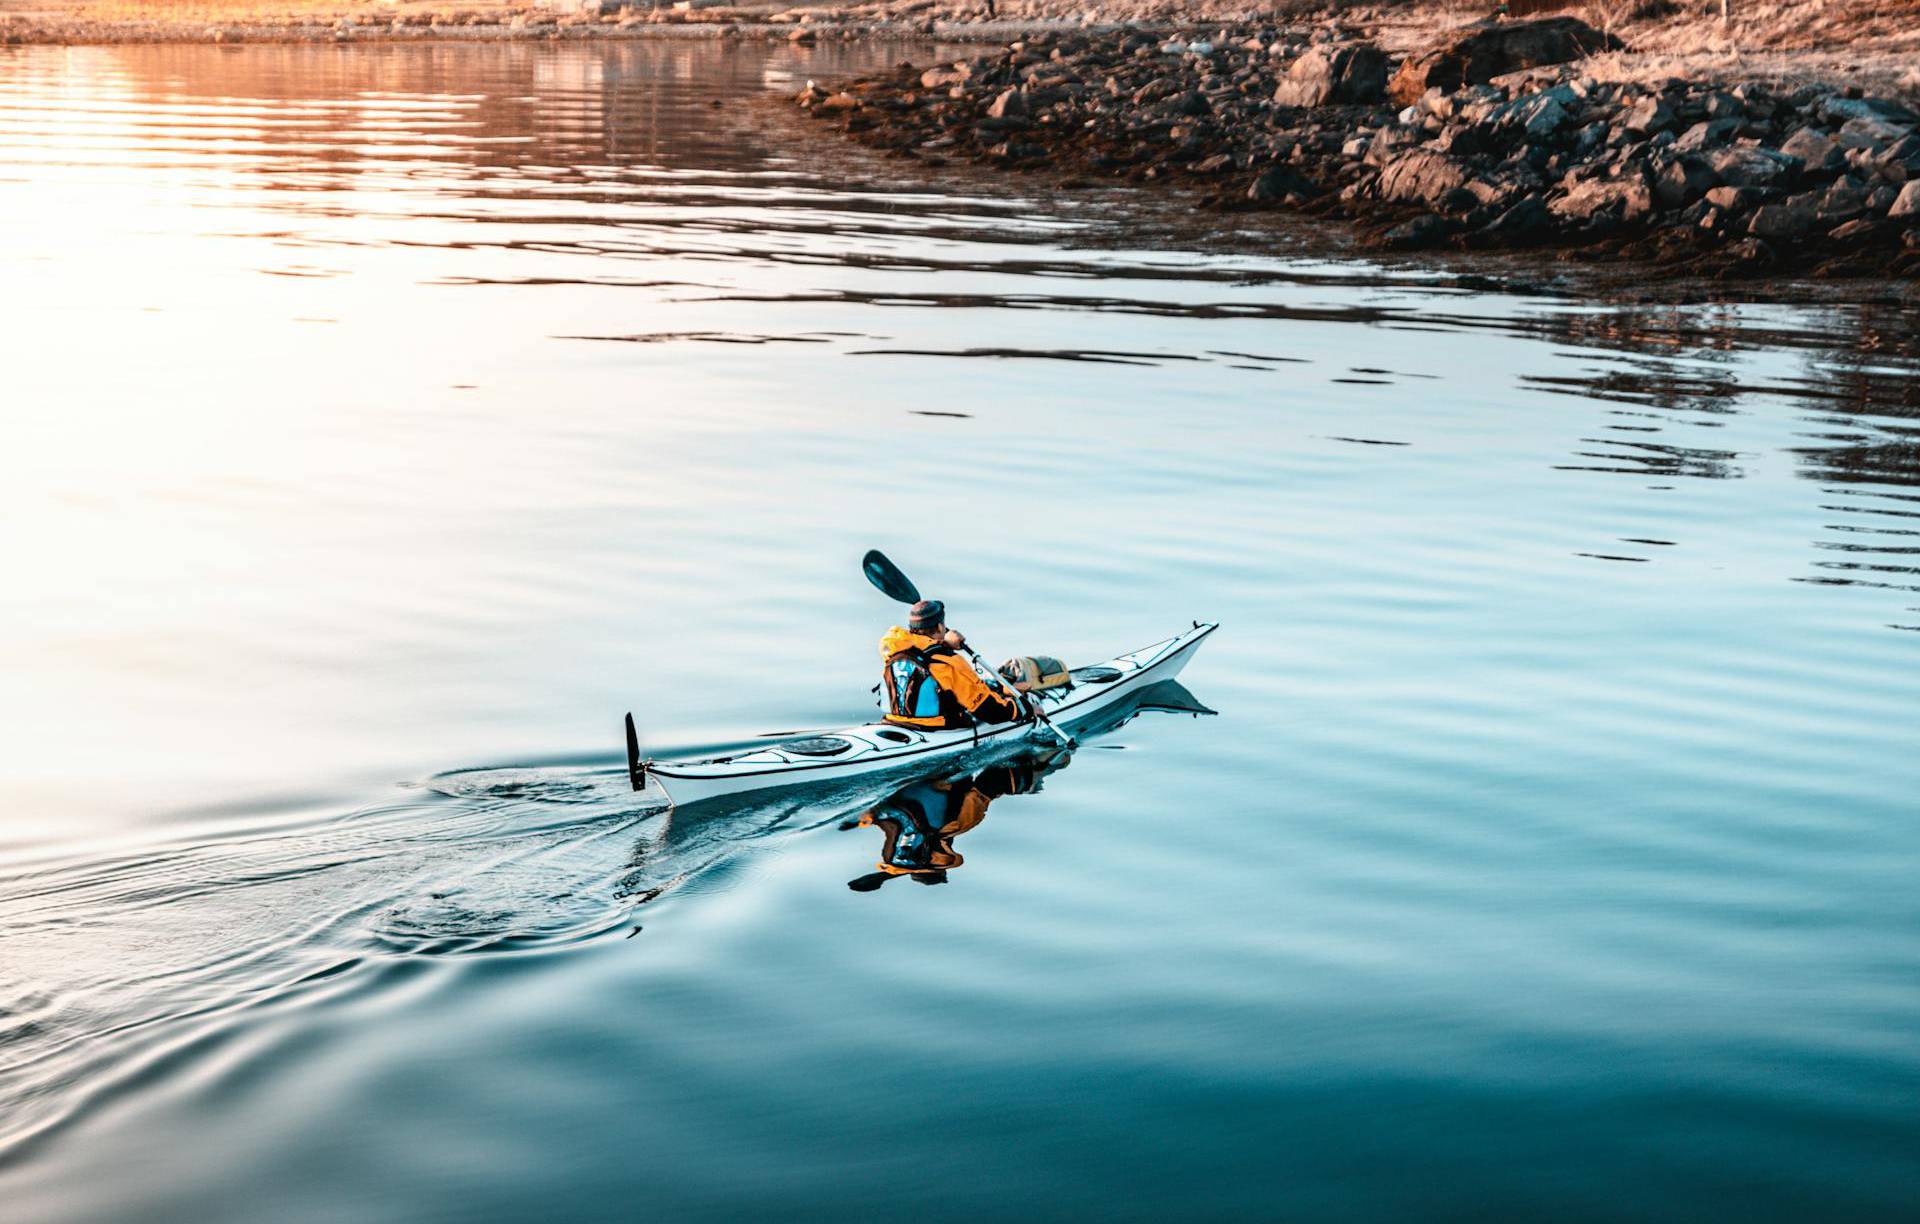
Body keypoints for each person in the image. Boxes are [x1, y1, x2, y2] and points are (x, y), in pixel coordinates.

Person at [878, 598, 1028, 730]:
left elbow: (924, 653)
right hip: (940, 726)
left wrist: (942, 644)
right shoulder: (948, 662)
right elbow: (989, 711)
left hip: (895, 721)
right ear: (939, 627)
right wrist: (1023, 709)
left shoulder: (894, 650)